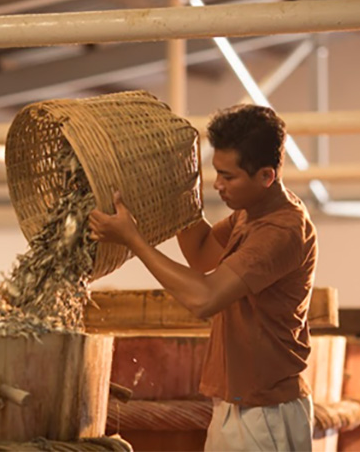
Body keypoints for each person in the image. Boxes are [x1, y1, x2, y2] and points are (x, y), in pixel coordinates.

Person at [88, 104, 318, 451]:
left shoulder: (282, 230)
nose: (218, 185)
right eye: (216, 172)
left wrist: (133, 239)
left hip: (266, 412)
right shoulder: (249, 212)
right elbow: (200, 253)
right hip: (238, 404)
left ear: (267, 176)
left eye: (228, 176)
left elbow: (205, 298)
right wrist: (176, 189)